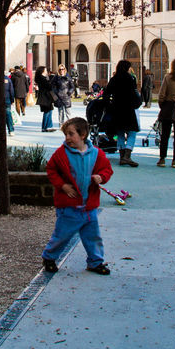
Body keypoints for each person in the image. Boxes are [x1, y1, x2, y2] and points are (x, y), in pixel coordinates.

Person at [41, 117, 113, 276]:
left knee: (93, 236)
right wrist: (63, 185)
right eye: (66, 134)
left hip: (89, 206)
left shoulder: (96, 154)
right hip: (69, 205)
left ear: (83, 135)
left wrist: (101, 177)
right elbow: (51, 169)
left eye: (71, 134)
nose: (67, 138)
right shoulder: (62, 154)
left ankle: (95, 262)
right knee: (62, 235)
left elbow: (107, 169)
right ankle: (49, 257)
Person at [102, 60, 141, 167]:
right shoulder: (130, 79)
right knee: (132, 132)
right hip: (128, 109)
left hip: (116, 109)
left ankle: (122, 155)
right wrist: (137, 103)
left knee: (120, 133)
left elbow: (106, 94)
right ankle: (127, 155)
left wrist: (109, 105)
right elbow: (134, 94)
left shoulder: (114, 79)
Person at [35, 66, 56, 132]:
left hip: (44, 97)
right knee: (48, 111)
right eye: (45, 70)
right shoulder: (43, 79)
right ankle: (47, 126)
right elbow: (49, 87)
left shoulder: (41, 78)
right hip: (45, 97)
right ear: (42, 71)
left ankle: (47, 126)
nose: (46, 71)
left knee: (48, 111)